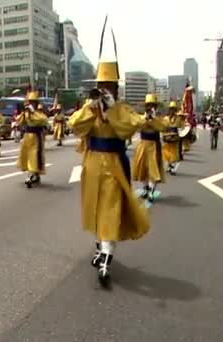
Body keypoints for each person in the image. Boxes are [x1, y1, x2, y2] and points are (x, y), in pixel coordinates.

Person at [68, 60, 150, 285]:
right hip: (92, 164)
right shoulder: (91, 107)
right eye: (101, 84)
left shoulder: (122, 108)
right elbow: (75, 126)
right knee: (95, 208)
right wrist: (90, 108)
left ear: (115, 87)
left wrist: (112, 109)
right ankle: (99, 247)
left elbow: (131, 127)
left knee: (110, 209)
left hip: (114, 164)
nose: (104, 89)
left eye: (108, 85)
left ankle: (106, 255)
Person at [131, 94, 167, 203]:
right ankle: (146, 189)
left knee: (154, 169)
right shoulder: (141, 117)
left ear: (156, 107)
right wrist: (145, 118)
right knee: (142, 169)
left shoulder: (160, 118)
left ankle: (151, 191)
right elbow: (136, 127)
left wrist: (154, 119)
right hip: (143, 145)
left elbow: (163, 128)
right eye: (148, 105)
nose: (150, 108)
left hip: (154, 145)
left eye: (152, 106)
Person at [17, 91, 49, 187]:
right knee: (26, 155)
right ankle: (35, 174)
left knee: (34, 155)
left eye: (33, 102)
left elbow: (43, 120)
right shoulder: (27, 112)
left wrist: (33, 112)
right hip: (27, 136)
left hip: (36, 137)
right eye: (30, 102)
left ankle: (31, 174)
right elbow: (19, 121)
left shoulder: (38, 113)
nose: (31, 104)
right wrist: (23, 113)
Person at [162, 101, 183, 175]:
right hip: (167, 137)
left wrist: (179, 136)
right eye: (171, 109)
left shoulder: (178, 118)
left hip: (175, 138)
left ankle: (172, 168)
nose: (172, 111)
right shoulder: (166, 118)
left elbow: (181, 128)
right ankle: (169, 166)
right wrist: (164, 135)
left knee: (174, 153)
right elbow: (163, 128)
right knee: (166, 152)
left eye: (174, 109)